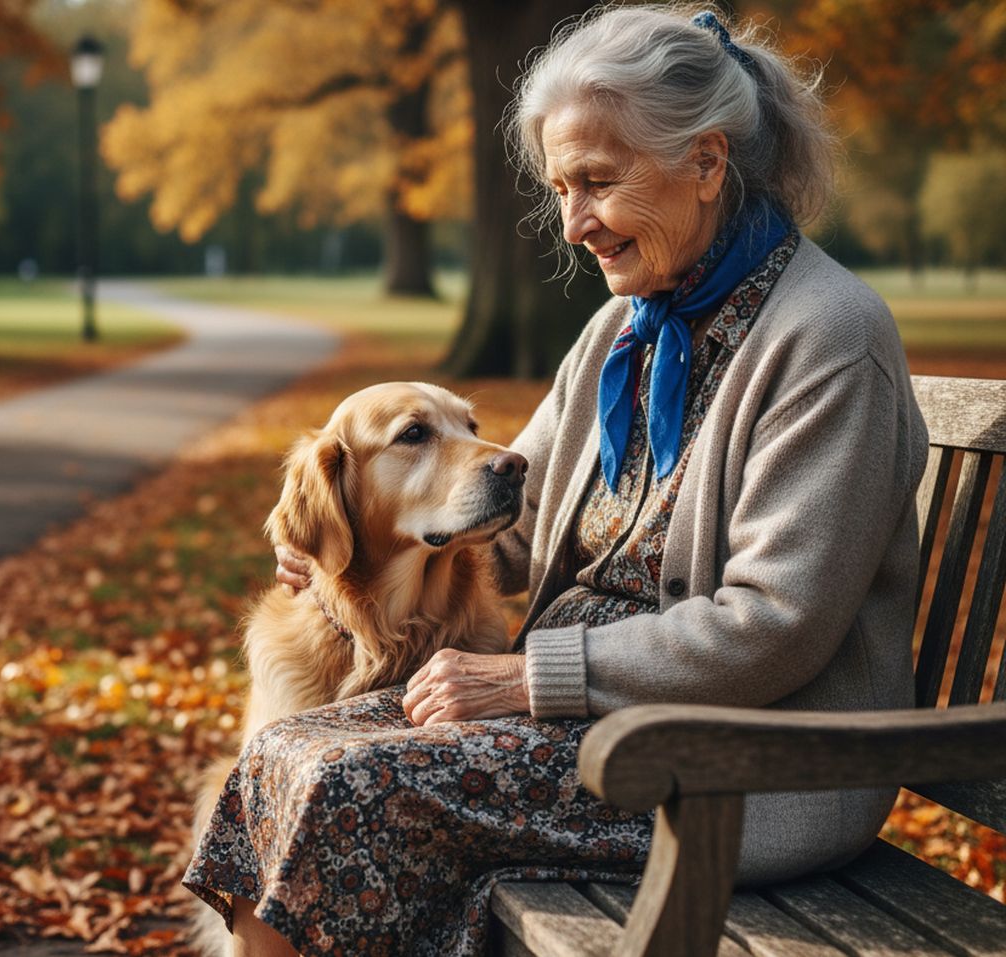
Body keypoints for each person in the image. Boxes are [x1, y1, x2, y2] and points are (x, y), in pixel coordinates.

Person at [183, 4, 929, 955]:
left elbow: (774, 626)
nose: (574, 223)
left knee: (341, 786)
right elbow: (509, 518)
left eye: (597, 183)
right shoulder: (623, 333)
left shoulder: (829, 338)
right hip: (586, 727)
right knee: (277, 755)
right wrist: (346, 536)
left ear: (706, 163)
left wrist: (529, 677)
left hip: (738, 763)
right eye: (560, 188)